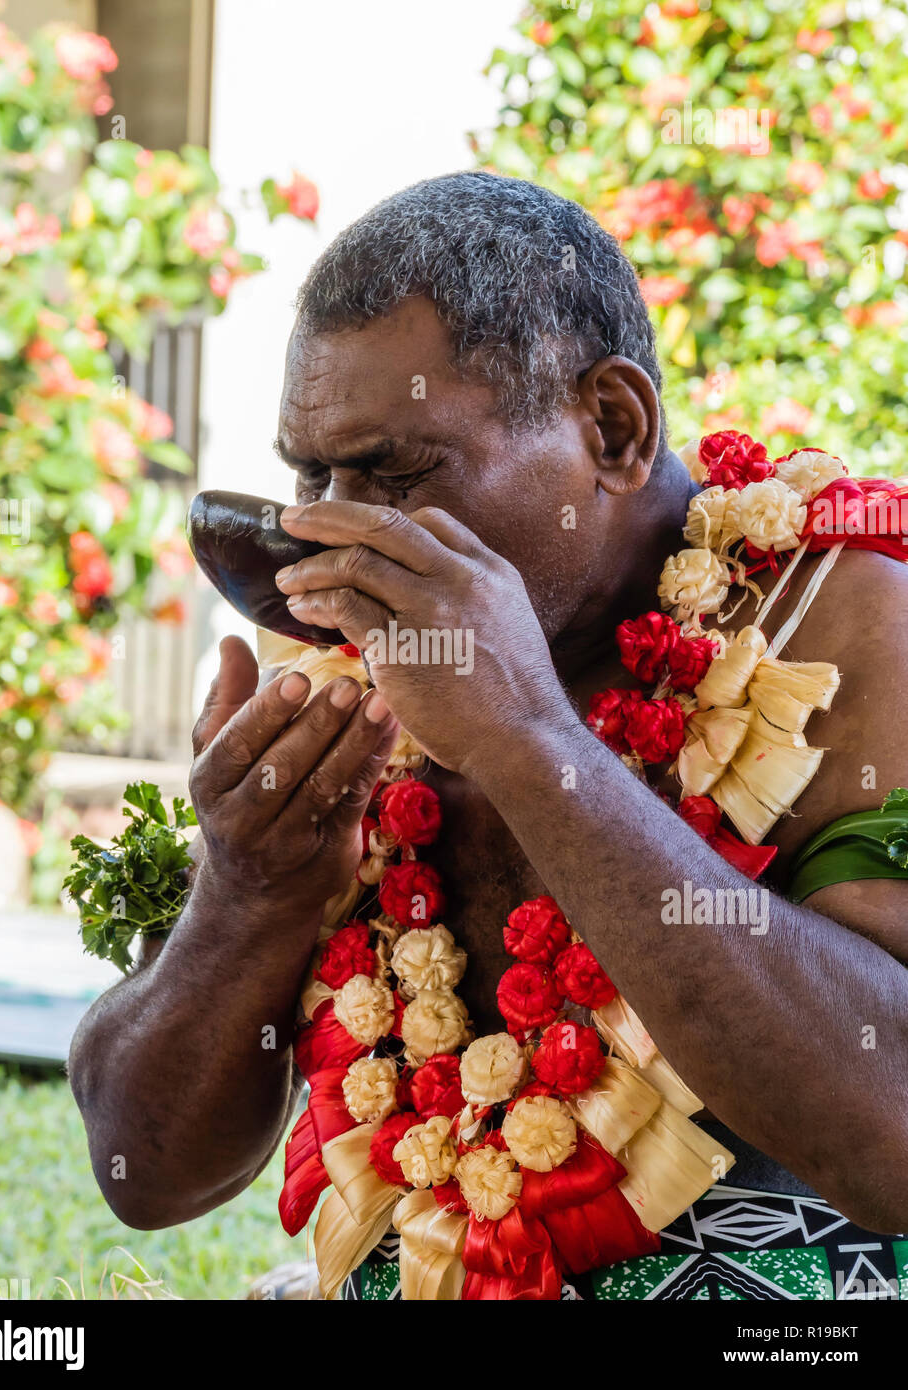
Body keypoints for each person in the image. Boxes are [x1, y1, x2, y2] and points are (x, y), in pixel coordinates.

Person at [70, 173, 908, 1301]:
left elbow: (894, 1135)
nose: (327, 536)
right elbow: (146, 1172)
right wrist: (247, 891)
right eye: (310, 475)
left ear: (613, 427)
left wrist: (525, 739)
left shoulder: (844, 618)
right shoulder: (340, 669)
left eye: (398, 472)